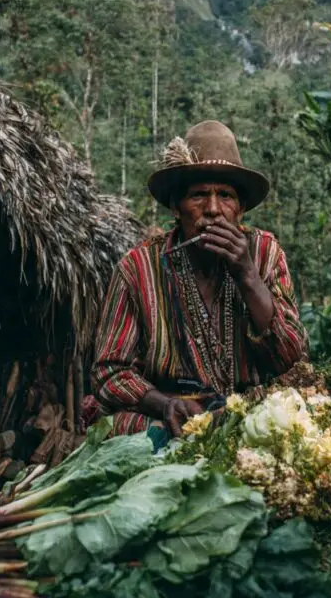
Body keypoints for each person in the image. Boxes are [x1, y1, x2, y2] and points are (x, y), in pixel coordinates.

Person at [91, 120, 308, 440]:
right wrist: (164, 404)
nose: (213, 209)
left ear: (241, 209)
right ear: (176, 206)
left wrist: (247, 274)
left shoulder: (264, 253)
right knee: (124, 430)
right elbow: (110, 373)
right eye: (198, 195)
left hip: (249, 416)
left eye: (226, 195)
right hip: (170, 420)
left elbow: (292, 358)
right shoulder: (138, 268)